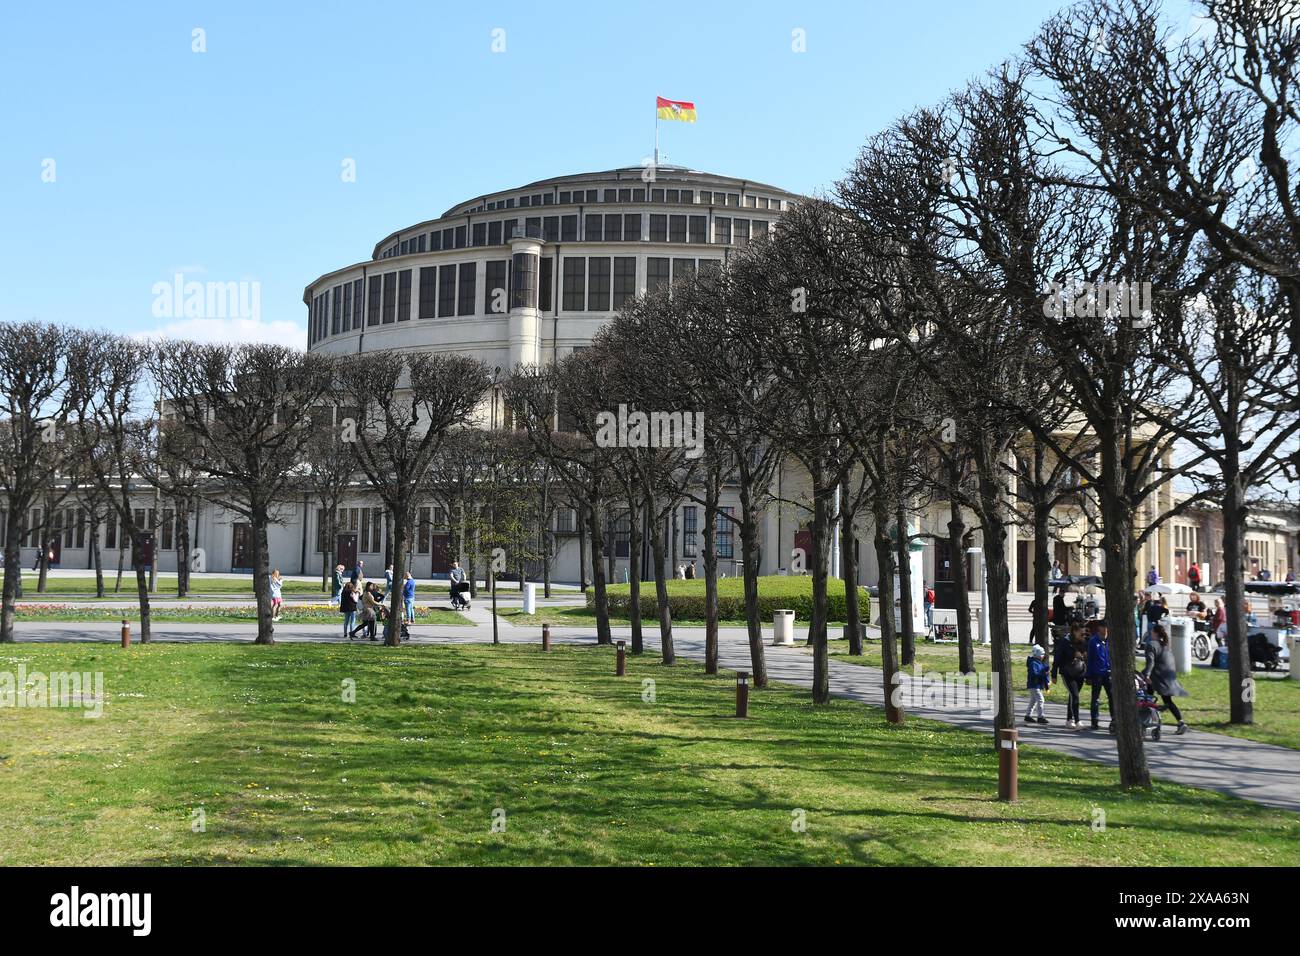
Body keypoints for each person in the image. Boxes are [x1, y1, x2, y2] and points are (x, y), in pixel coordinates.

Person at [1143, 624, 1190, 735]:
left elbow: (1151, 662)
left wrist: (1146, 675)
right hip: (1168, 676)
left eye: (1152, 631)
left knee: (1147, 698)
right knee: (1167, 701)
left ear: (1155, 633)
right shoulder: (1166, 645)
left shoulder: (1151, 645)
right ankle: (1181, 722)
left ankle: (1146, 721)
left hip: (1157, 677)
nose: (1150, 633)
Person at [1052, 624, 1087, 729]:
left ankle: (1069, 720)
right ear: (1075, 632)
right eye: (1081, 633)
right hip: (1067, 673)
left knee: (1073, 696)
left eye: (1084, 633)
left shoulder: (1083, 642)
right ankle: (1077, 721)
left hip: (1080, 673)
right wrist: (1054, 674)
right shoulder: (1065, 643)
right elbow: (1057, 659)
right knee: (1075, 696)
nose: (1083, 635)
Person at [1086, 620, 1114, 732]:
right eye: (1104, 627)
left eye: (1107, 628)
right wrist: (1088, 675)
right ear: (1100, 628)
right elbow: (1090, 659)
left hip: (1108, 673)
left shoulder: (1110, 641)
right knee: (1096, 698)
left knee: (1112, 697)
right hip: (1097, 673)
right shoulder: (1093, 641)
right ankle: (1094, 720)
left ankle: (1114, 719)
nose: (1105, 630)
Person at [1024, 644, 1050, 725]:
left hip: (1036, 685)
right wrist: (1044, 673)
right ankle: (1040, 717)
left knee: (1033, 700)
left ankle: (1028, 716)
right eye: (1042, 654)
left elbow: (1040, 671)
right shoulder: (1034, 663)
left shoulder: (1037, 662)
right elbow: (1034, 674)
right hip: (1034, 685)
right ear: (1038, 655)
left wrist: (1045, 670)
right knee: (1040, 700)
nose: (1043, 656)